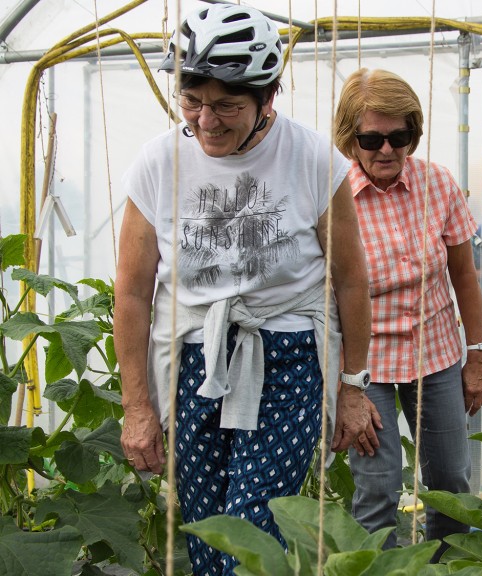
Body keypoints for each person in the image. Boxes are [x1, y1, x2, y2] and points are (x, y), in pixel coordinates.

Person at [114, 6, 372, 574]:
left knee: (253, 524)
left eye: (227, 104)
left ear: (267, 98)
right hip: (191, 358)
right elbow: (132, 292)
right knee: (206, 527)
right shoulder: (158, 163)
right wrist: (137, 408)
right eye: (192, 101)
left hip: (286, 357)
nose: (206, 120)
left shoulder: (311, 160)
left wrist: (352, 388)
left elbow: (351, 281)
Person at [333, 68, 482, 557]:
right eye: (371, 138)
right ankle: (377, 570)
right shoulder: (333, 196)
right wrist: (342, 385)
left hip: (436, 353)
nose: (386, 149)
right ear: (349, 138)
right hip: (366, 363)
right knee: (377, 486)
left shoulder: (437, 183)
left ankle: (449, 568)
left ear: (413, 134)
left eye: (399, 136)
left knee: (449, 481)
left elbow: (465, 275)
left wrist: (477, 356)